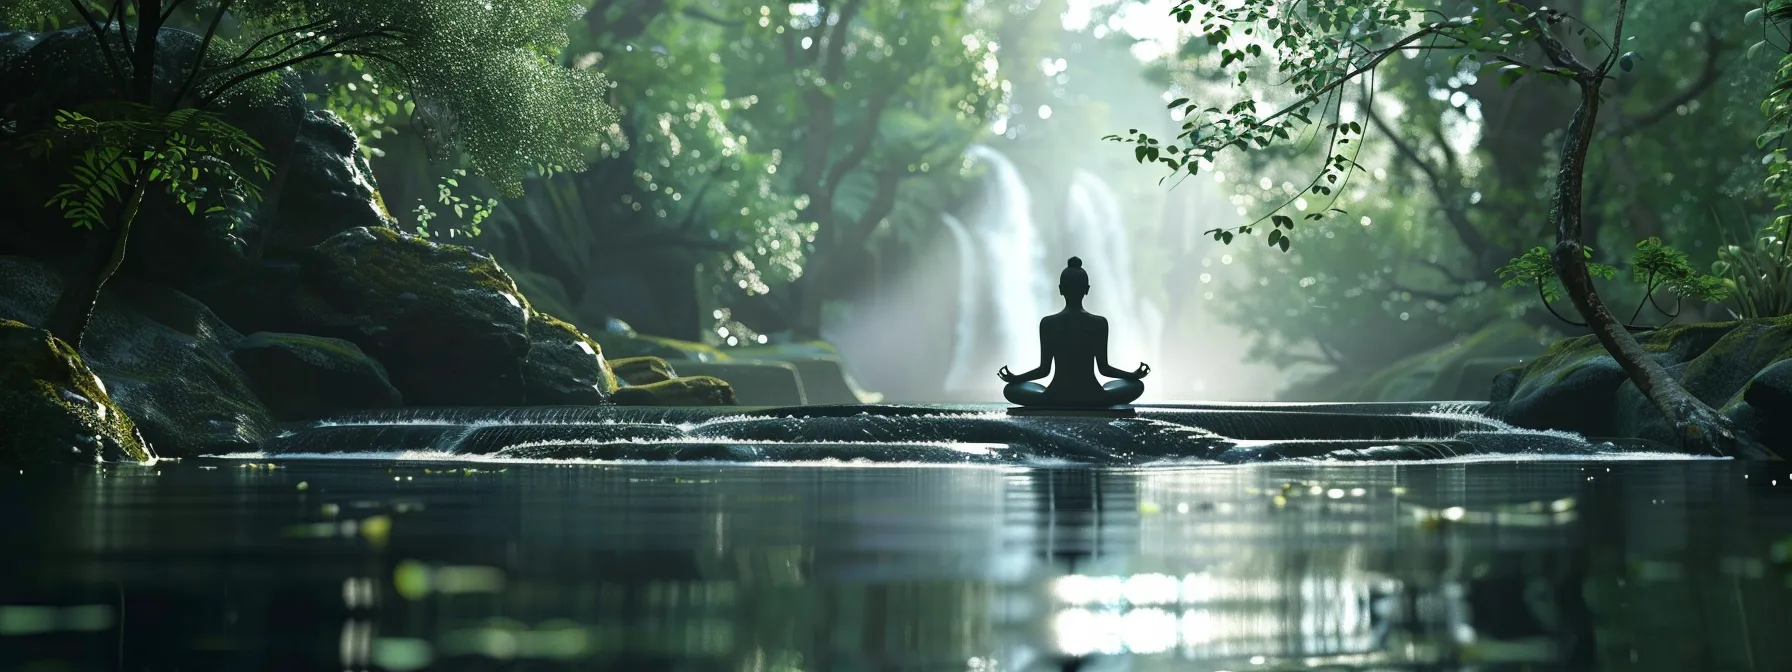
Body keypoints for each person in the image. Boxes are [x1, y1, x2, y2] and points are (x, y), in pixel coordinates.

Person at [998, 257, 1149, 408]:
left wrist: (1016, 378)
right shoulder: (1099, 323)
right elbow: (1104, 369)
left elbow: (1044, 370)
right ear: (1087, 289)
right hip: (1093, 395)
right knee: (1136, 385)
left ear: (1061, 289)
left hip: (1055, 396)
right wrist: (1132, 375)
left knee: (1010, 390)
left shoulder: (1048, 323)